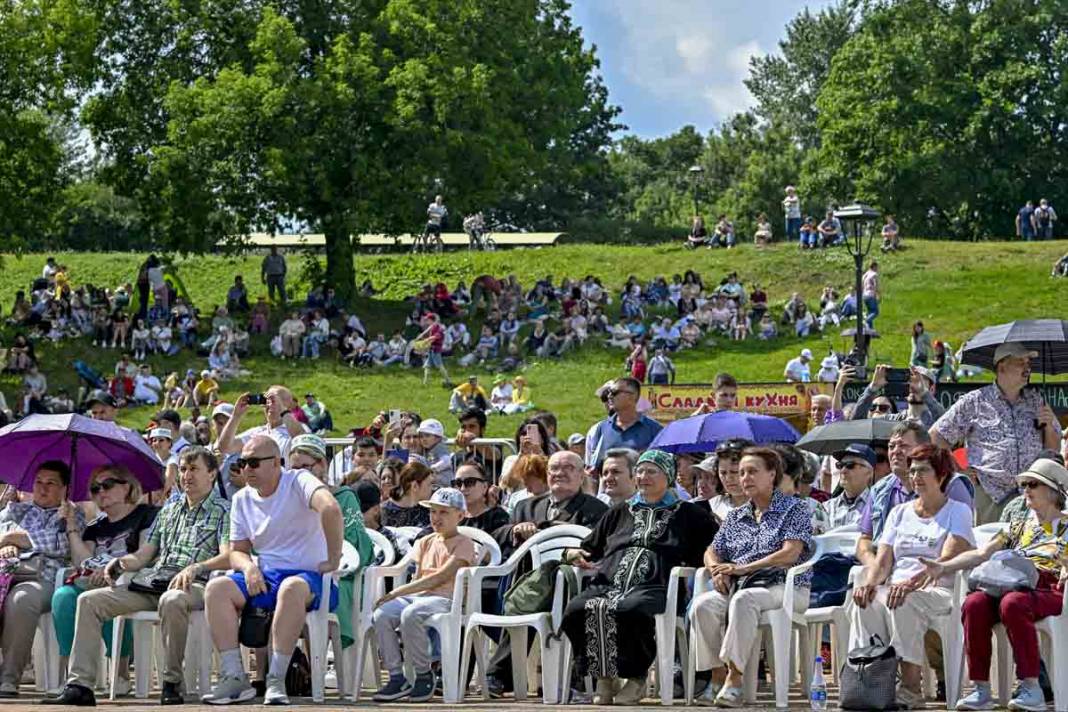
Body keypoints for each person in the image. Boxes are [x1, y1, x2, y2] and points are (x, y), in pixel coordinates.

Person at [47, 447, 231, 706]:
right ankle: (80, 685)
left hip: (195, 585)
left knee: (173, 599)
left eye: (195, 469)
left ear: (212, 473)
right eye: (184, 469)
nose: (187, 475)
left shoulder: (224, 509)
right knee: (89, 601)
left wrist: (196, 567)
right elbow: (144, 554)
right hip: (153, 583)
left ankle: (172, 682)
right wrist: (120, 562)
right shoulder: (169, 510)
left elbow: (229, 555)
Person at [560, 450, 718, 705]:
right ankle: (604, 676)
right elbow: (590, 547)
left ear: (667, 476)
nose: (644, 477)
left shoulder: (690, 514)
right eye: (641, 471)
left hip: (658, 584)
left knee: (630, 610)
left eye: (652, 471)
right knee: (576, 609)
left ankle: (636, 678)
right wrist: (571, 553)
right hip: (609, 580)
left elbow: (710, 551)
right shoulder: (619, 511)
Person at [199, 436, 342, 706]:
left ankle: (276, 679)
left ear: (277, 463)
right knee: (216, 588)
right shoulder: (241, 498)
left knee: (291, 588)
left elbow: (331, 508)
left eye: (253, 462)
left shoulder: (298, 480)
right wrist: (249, 567)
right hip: (267, 577)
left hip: (310, 579)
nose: (246, 470)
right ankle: (235, 678)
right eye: (242, 463)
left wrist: (334, 558)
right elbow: (237, 551)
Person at [925, 459, 1068, 711]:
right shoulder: (1018, 526)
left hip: (1049, 587)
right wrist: (944, 566)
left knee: (1013, 603)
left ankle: (1031, 687)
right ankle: (981, 690)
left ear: (1054, 490)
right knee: (974, 603)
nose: (1025, 490)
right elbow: (982, 554)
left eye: (1032, 484)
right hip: (1011, 583)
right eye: (1023, 484)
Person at [848, 444, 975, 710]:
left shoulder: (958, 511)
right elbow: (883, 562)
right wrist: (870, 583)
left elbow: (944, 560)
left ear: (941, 475)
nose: (916, 476)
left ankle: (910, 688)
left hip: (939, 588)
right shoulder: (899, 513)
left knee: (903, 601)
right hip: (898, 587)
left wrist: (908, 585)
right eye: (913, 470)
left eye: (923, 470)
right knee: (865, 600)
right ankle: (874, 682)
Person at [689, 447, 814, 707]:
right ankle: (717, 675)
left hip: (784, 585)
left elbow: (790, 554)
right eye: (742, 472)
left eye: (753, 472)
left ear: (772, 474)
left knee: (744, 600)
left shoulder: (795, 509)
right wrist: (716, 570)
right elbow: (712, 551)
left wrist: (745, 568)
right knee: (702, 605)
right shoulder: (736, 516)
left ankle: (735, 680)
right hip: (741, 585)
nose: (745, 478)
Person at [51, 466, 158, 690]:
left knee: (105, 594)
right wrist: (71, 525)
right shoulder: (94, 526)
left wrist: (114, 570)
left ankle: (120, 673)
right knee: (63, 597)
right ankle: (71, 674)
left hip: (129, 580)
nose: (101, 491)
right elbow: (83, 561)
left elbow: (146, 556)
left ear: (127, 486)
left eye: (107, 485)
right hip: (92, 581)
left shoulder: (147, 515)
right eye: (95, 488)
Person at [931, 342, 1061, 523]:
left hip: (1031, 496)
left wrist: (1048, 426)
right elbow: (936, 436)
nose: (1027, 367)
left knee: (1028, 549)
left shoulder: (1036, 401)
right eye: (1020, 362)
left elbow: (1053, 450)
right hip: (990, 497)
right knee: (989, 547)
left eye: (1028, 363)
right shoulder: (975, 401)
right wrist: (958, 470)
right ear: (1002, 367)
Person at [371, 488, 475, 702]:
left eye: (444, 513)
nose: (436, 518)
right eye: (433, 512)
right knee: (381, 614)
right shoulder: (426, 541)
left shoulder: (464, 543)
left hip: (447, 600)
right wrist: (401, 595)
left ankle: (423, 673)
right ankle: (397, 676)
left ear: (460, 515)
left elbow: (440, 577)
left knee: (411, 613)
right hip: (420, 598)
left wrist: (397, 592)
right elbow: (418, 576)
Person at [0, 463, 85, 698]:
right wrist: (7, 541)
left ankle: (8, 678)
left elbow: (58, 545)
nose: (42, 488)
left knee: (21, 599)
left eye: (51, 483)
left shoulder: (71, 514)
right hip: (6, 573)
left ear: (64, 488)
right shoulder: (19, 510)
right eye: (39, 482)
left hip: (44, 578)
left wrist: (13, 537)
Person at [584, 378, 663, 470]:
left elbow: (662, 467)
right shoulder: (600, 429)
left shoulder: (655, 430)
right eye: (607, 393)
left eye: (614, 392)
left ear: (631, 396)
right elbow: (591, 467)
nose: (609, 396)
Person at [217, 386, 307, 462]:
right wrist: (235, 416)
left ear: (290, 405)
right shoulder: (257, 432)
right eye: (267, 400)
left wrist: (283, 410)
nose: (270, 405)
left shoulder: (299, 428)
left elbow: (303, 443)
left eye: (275, 400)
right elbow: (224, 448)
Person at [852, 365, 946, 428]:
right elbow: (856, 424)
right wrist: (872, 388)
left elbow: (947, 423)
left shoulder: (935, 421)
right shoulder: (892, 420)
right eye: (908, 380)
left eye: (919, 380)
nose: (912, 385)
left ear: (932, 389)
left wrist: (924, 393)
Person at [820, 445, 874, 530]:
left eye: (850, 465)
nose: (843, 471)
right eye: (840, 465)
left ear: (869, 472)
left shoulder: (879, 506)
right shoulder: (826, 508)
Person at [382, 462, 434, 528]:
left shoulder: (428, 512)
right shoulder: (383, 512)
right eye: (429, 484)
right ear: (415, 486)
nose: (432, 489)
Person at [414, 313, 451, 387]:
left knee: (440, 366)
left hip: (436, 350)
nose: (426, 321)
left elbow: (435, 337)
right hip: (431, 350)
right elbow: (426, 331)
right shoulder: (432, 326)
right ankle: (425, 382)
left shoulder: (439, 328)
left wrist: (425, 341)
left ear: (431, 320)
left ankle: (448, 381)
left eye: (427, 320)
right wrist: (419, 337)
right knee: (427, 366)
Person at [862, 260, 880, 328]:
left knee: (870, 312)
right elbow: (875, 285)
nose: (877, 269)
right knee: (875, 312)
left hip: (864, 295)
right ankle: (865, 321)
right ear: (874, 266)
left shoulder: (865, 275)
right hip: (871, 294)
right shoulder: (874, 274)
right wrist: (877, 295)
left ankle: (870, 331)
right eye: (877, 267)